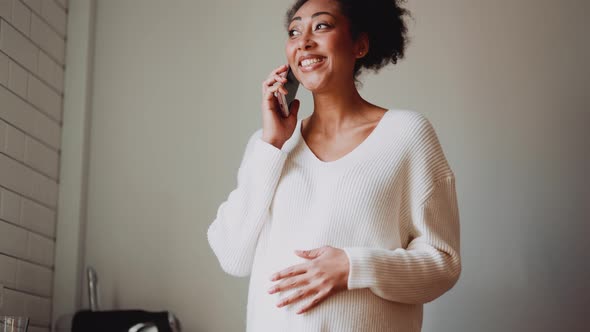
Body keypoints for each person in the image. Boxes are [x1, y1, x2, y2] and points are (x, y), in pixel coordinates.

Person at [207, 0, 461, 330]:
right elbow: (232, 255)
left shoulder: (406, 134)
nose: (304, 41)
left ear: (360, 44)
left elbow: (443, 264)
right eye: (294, 31)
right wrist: (271, 145)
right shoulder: (270, 146)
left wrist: (354, 266)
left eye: (322, 26)